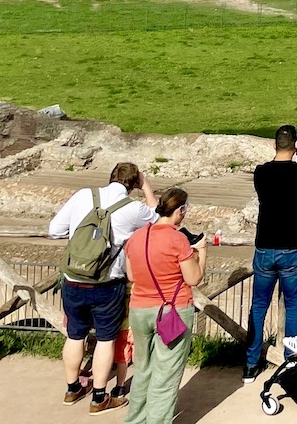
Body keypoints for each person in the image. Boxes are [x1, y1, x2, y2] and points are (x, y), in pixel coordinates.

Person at [48, 162, 158, 412]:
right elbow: (159, 218)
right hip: (107, 283)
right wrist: (147, 187)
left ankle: (72, 388)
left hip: (74, 278)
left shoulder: (84, 195)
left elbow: (54, 230)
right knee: (106, 339)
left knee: (75, 335)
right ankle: (99, 397)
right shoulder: (133, 208)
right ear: (133, 185)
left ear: (111, 177)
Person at [244, 125, 297, 385]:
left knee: (259, 306)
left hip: (265, 247)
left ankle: (251, 363)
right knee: (293, 306)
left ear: (274, 145)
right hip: (293, 248)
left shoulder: (261, 173)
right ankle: (290, 361)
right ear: (295, 144)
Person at [125, 188, 206, 424]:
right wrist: (202, 252)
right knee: (166, 374)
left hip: (140, 308)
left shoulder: (137, 236)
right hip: (173, 310)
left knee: (143, 369)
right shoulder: (177, 239)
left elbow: (131, 274)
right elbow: (193, 279)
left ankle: (135, 420)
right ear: (180, 210)